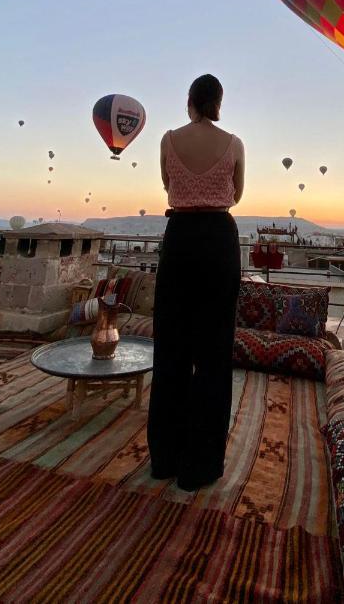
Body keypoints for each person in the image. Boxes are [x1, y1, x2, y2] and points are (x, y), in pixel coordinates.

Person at [147, 74, 245, 491]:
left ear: (189, 101)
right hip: (219, 241)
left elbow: (168, 186)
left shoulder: (168, 139)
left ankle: (164, 459)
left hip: (180, 237)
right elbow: (236, 194)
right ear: (219, 102)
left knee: (171, 347)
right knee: (214, 352)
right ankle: (200, 466)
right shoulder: (235, 142)